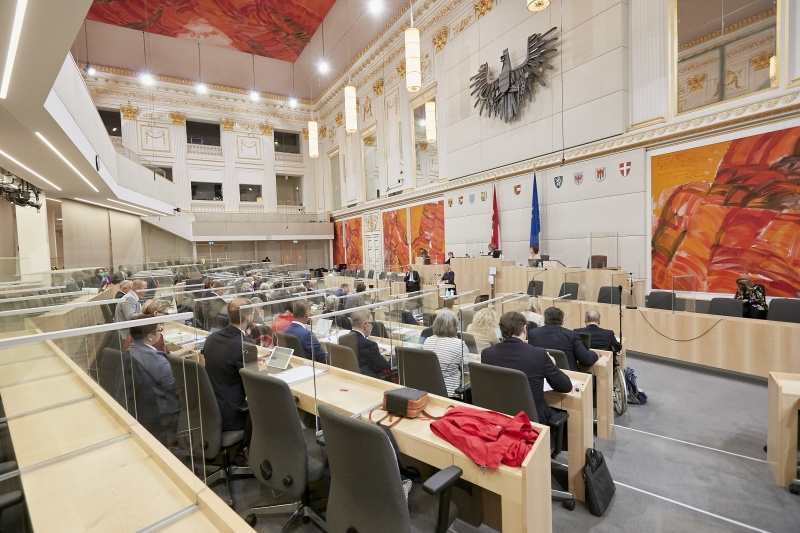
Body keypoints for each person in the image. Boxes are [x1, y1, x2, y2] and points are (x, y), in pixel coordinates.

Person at [481, 312, 572, 425]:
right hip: (531, 421)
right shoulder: (539, 355)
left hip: (498, 417)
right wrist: (553, 365)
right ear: (524, 329)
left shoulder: (487, 353)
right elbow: (566, 386)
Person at [203, 298, 254, 433]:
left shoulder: (211, 338)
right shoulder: (246, 345)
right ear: (248, 318)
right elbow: (255, 383)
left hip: (212, 409)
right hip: (234, 414)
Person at [127, 317, 180, 443]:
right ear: (150, 336)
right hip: (165, 409)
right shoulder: (155, 358)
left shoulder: (131, 350)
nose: (161, 333)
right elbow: (175, 387)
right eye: (159, 330)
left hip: (146, 409)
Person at [528, 307, 598, 371]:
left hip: (541, 375)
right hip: (567, 378)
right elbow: (587, 360)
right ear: (562, 322)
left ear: (545, 320)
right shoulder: (572, 335)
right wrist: (595, 354)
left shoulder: (532, 333)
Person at [423, 310, 469, 396]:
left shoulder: (428, 340)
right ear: (454, 327)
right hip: (450, 393)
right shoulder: (459, 344)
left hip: (428, 390)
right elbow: (467, 369)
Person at [349, 309, 392, 378]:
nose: (371, 327)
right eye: (371, 324)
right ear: (366, 325)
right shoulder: (369, 345)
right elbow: (386, 366)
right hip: (369, 378)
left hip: (352, 376)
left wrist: (375, 351)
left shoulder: (344, 338)